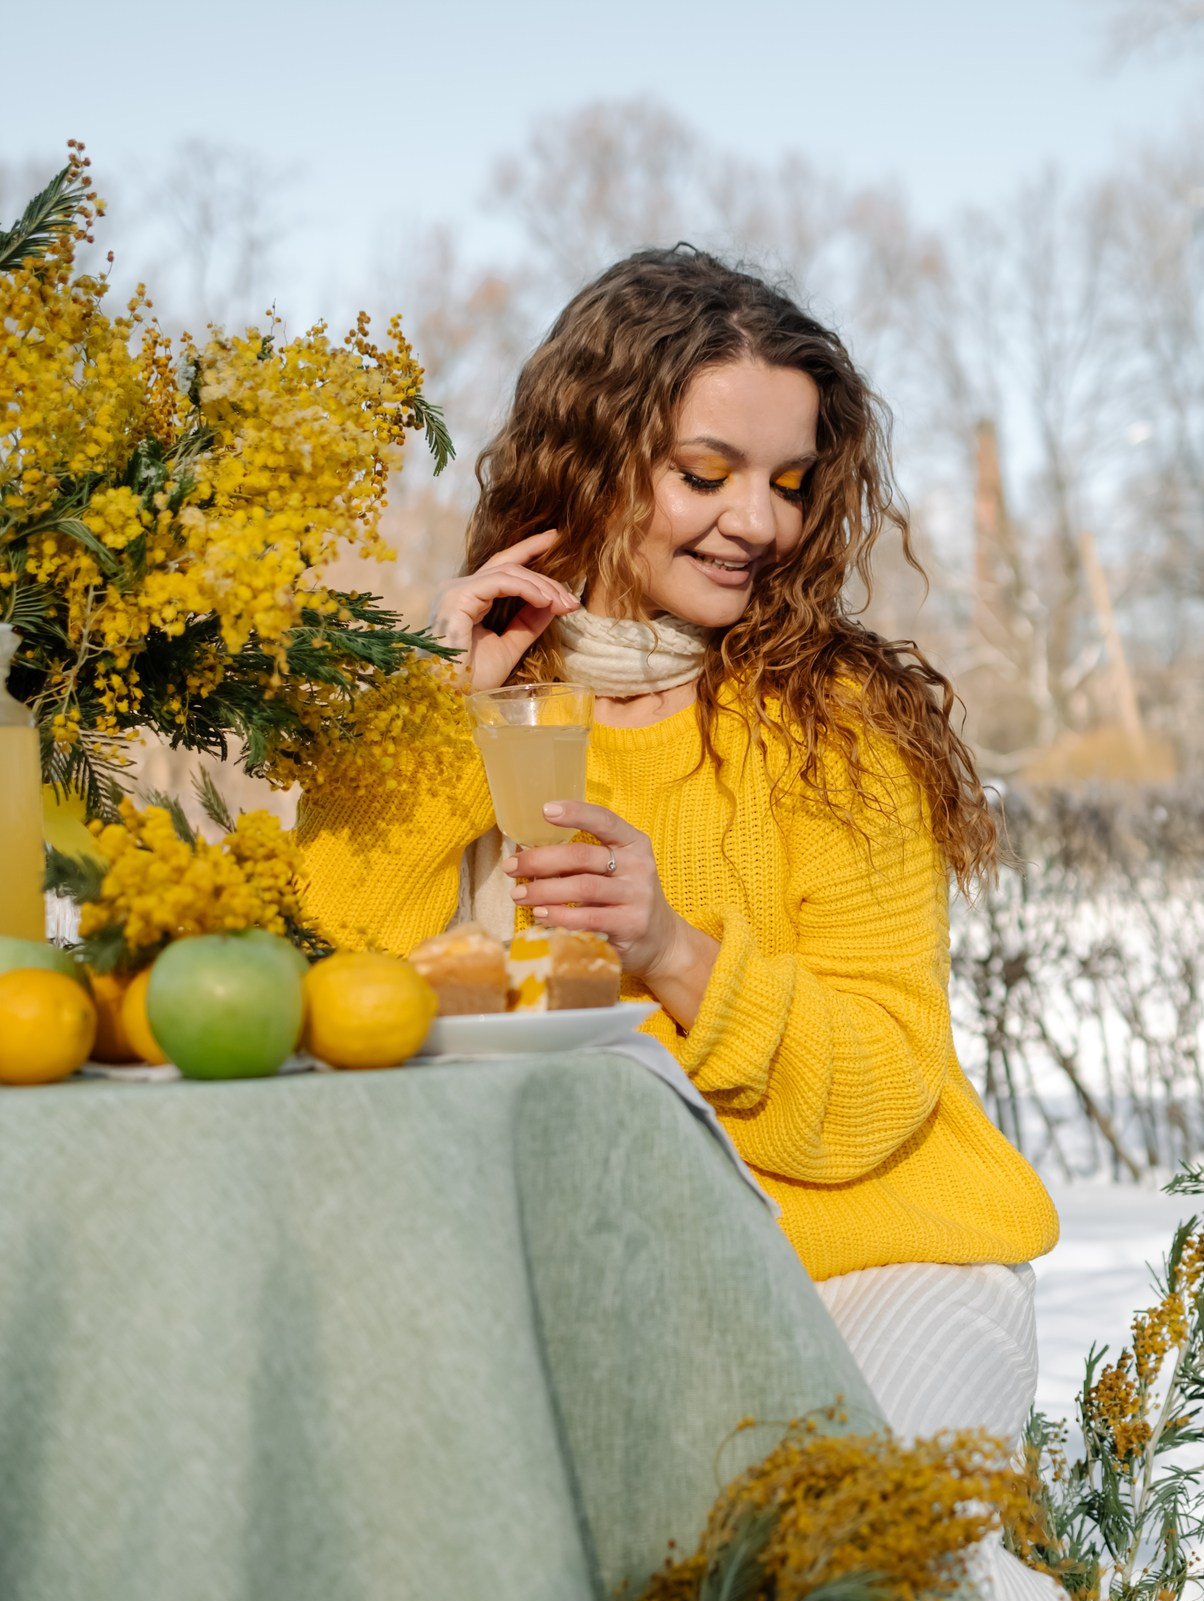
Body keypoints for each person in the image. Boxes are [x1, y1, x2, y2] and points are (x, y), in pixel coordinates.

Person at [297, 246, 1058, 1448]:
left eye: (792, 482)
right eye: (705, 473)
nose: (758, 524)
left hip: (880, 1255)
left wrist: (667, 947)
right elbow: (334, 960)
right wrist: (434, 712)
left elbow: (881, 1091)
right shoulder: (501, 705)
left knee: (872, 1576)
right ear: (593, 460)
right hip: (597, 1267)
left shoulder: (833, 724)